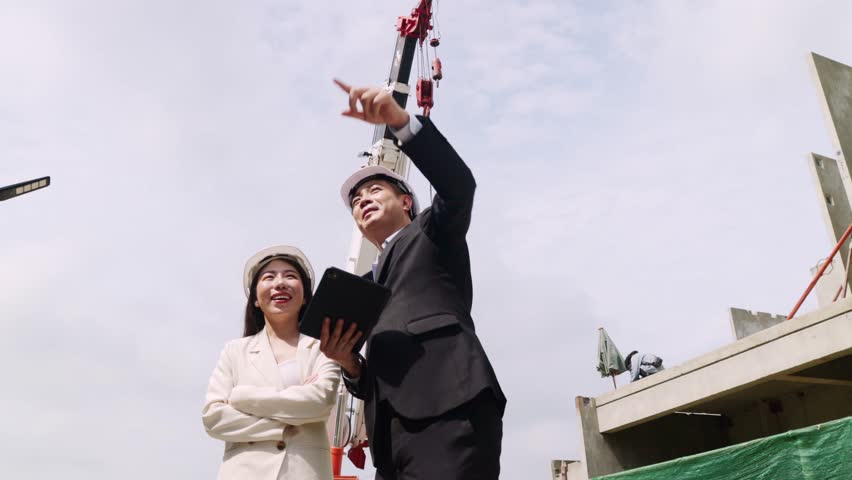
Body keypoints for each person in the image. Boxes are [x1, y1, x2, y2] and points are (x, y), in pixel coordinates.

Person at [320, 79, 506, 480]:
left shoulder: (431, 233)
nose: (362, 200)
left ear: (406, 202)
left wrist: (402, 123)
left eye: (373, 190)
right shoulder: (366, 287)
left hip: (450, 410)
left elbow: (459, 187)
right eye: (356, 201)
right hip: (391, 439)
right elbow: (378, 376)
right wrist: (349, 364)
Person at [202, 245, 340, 480]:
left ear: (305, 296)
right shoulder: (235, 351)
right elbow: (214, 418)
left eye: (290, 276)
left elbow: (320, 401)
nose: (280, 283)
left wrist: (243, 397)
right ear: (255, 298)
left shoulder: (322, 347)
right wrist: (288, 425)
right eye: (269, 277)